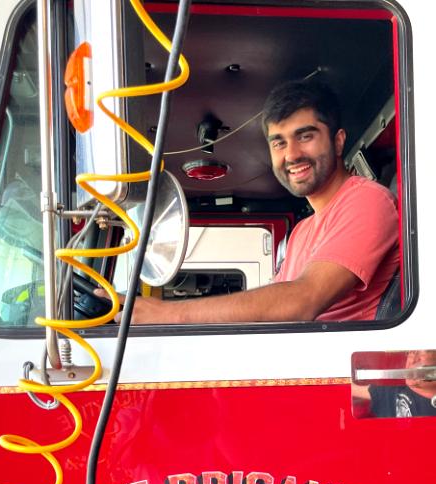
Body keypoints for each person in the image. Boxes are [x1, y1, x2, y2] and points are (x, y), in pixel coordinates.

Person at [97, 79, 399, 324]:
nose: (291, 154)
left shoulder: (367, 200)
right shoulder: (302, 232)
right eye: (279, 142)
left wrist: (167, 314)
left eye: (305, 136)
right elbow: (276, 308)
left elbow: (303, 301)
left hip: (339, 376)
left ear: (338, 140)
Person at [353, 350, 436, 418]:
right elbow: (352, 389)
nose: (412, 361)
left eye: (420, 358)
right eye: (412, 353)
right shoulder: (393, 391)